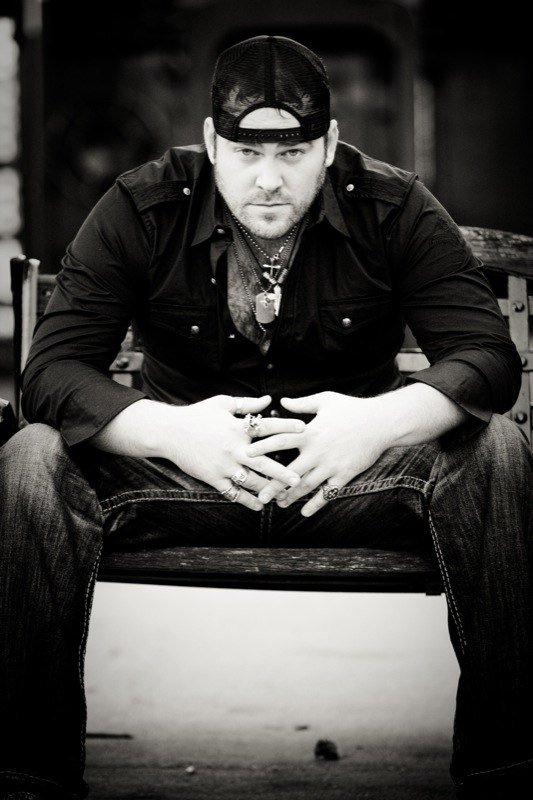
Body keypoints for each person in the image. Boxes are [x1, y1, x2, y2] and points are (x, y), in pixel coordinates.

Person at [0, 34, 531, 800]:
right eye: (247, 153)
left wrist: (375, 426)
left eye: (293, 154)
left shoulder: (393, 205)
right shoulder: (143, 204)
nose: (269, 179)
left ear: (330, 146)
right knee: (28, 459)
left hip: (350, 481)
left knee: (499, 451)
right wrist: (171, 431)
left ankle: (506, 772)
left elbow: (486, 356)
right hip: (182, 476)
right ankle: (26, 779)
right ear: (212, 142)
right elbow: (49, 373)